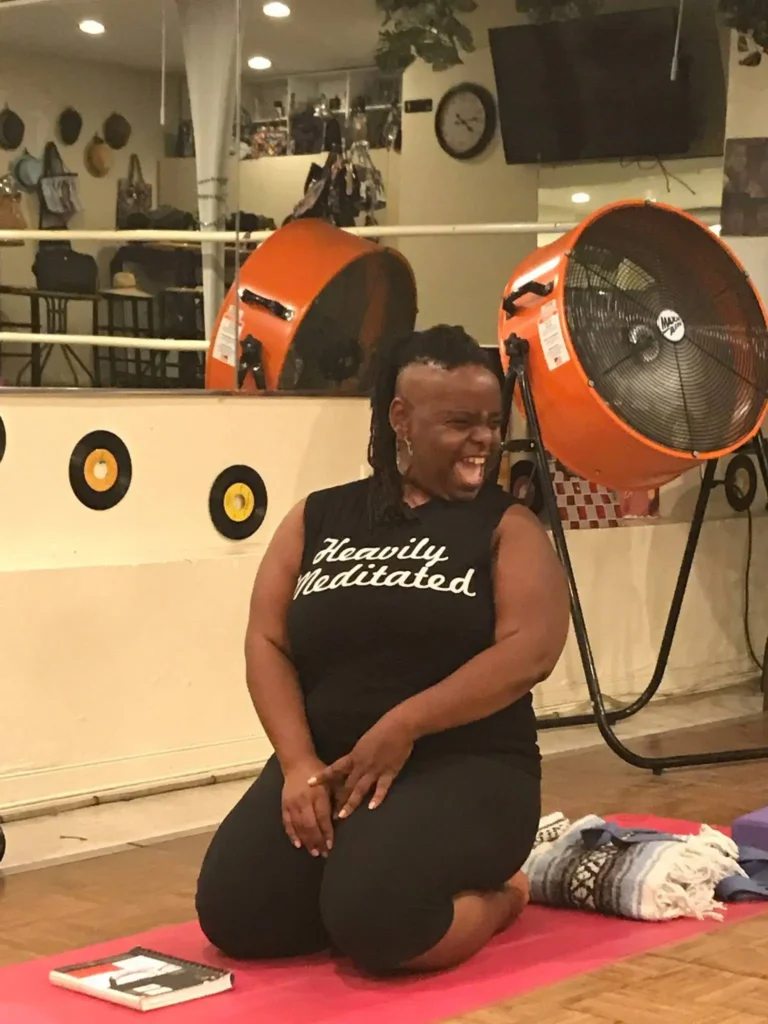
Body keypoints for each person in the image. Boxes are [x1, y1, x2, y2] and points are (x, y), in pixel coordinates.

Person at [196, 325, 570, 976]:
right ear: (401, 417)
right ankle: (360, 874)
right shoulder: (317, 517)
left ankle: (503, 895)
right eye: (459, 422)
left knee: (378, 921)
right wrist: (296, 764)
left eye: (490, 420)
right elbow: (267, 640)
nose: (483, 438)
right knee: (237, 914)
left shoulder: (506, 526)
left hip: (464, 768)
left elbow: (530, 651)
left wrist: (404, 725)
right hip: (332, 768)